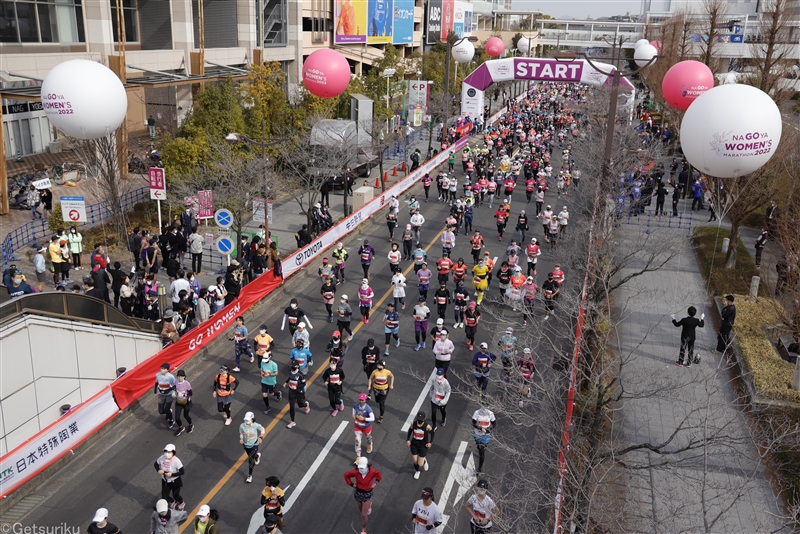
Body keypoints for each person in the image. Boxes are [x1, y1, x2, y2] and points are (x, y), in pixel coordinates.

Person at [344, 457, 382, 534]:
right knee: (361, 510)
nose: (361, 469)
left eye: (362, 467)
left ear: (367, 465)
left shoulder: (372, 471)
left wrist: (376, 483)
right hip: (358, 493)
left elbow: (379, 475)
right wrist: (351, 484)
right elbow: (346, 475)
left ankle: (364, 529)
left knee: (363, 514)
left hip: (367, 493)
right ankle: (369, 506)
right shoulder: (356, 472)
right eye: (360, 467)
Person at [154, 444, 185, 509]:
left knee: (176, 495)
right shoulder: (162, 458)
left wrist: (172, 474)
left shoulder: (176, 461)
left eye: (169, 452)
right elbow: (156, 464)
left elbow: (182, 471)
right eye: (165, 451)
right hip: (165, 480)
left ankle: (181, 502)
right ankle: (172, 501)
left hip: (175, 481)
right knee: (164, 496)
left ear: (173, 452)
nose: (166, 454)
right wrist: (158, 470)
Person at [239, 411, 266, 483]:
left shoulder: (255, 425)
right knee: (251, 456)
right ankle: (257, 456)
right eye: (245, 420)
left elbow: (263, 430)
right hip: (246, 445)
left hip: (254, 444)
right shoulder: (242, 426)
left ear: (252, 419)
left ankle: (249, 475)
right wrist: (241, 439)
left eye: (247, 420)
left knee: (250, 460)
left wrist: (261, 437)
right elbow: (241, 433)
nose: (246, 421)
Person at [406, 412, 433, 479]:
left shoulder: (427, 426)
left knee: (420, 464)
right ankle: (417, 471)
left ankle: (424, 460)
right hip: (414, 444)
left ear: (424, 419)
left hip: (423, 445)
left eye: (421, 419)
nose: (419, 421)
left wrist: (430, 442)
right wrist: (408, 439)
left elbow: (432, 433)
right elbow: (410, 431)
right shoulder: (414, 424)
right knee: (415, 461)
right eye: (418, 419)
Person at [283, 361, 310, 428]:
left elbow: (303, 383)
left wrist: (296, 387)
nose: (292, 367)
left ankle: (306, 405)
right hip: (291, 391)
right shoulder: (290, 371)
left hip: (299, 391)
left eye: (294, 365)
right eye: (292, 365)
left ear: (297, 366)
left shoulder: (300, 374)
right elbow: (290, 377)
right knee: (291, 406)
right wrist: (286, 383)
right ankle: (292, 421)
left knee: (300, 404)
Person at [472, 406, 496, 473]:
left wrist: (489, 429)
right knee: (478, 445)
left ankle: (480, 467)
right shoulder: (477, 412)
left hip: (486, 436)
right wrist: (480, 428)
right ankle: (479, 446)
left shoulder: (491, 414)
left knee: (481, 450)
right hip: (477, 434)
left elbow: (494, 423)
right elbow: (473, 423)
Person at [352, 393, 375, 459]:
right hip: (357, 426)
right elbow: (353, 408)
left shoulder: (368, 409)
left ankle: (370, 444)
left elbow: (373, 418)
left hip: (366, 427)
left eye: (362, 400)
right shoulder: (356, 405)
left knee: (368, 438)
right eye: (360, 400)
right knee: (357, 441)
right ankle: (358, 456)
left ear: (365, 400)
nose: (361, 401)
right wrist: (353, 414)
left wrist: (364, 419)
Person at [154, 363, 176, 429]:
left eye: (164, 368)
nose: (162, 370)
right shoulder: (158, 375)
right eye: (161, 368)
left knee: (167, 408)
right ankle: (169, 411)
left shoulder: (171, 377)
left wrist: (169, 390)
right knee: (161, 411)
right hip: (161, 395)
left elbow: (175, 385)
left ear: (167, 369)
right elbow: (157, 382)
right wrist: (155, 389)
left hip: (169, 395)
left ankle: (171, 420)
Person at [173, 369, 193, 436]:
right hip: (178, 402)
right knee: (177, 418)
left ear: (184, 376)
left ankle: (190, 424)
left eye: (181, 376)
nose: (180, 377)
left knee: (186, 415)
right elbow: (174, 387)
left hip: (186, 402)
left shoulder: (187, 383)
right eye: (178, 376)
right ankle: (181, 427)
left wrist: (184, 395)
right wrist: (173, 392)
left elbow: (191, 393)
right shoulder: (175, 381)